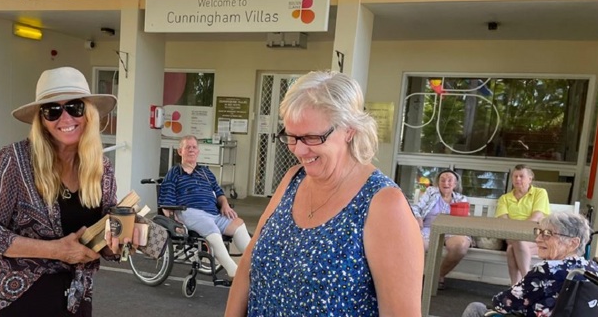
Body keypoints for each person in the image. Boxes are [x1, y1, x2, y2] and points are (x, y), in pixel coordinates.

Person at [225, 71, 423, 316]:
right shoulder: (292, 180)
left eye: (311, 137)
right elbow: (247, 264)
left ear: (349, 130)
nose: (298, 149)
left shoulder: (384, 204)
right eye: (291, 136)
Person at [0, 67, 132, 316]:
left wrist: (121, 238)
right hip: (14, 302)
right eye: (53, 110)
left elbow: (105, 236)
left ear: (89, 113)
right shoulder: (15, 160)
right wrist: (56, 250)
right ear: (42, 120)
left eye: (75, 107)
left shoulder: (101, 168)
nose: (65, 119)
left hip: (74, 299)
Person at [462, 212, 598, 317]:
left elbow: (502, 304)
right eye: (540, 232)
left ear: (573, 243)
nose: (538, 239)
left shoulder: (547, 270)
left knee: (476, 308)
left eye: (547, 234)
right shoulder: (597, 271)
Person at [158, 135, 251, 282]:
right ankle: (234, 271)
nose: (191, 150)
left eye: (194, 147)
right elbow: (166, 200)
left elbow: (219, 192)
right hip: (188, 211)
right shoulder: (174, 173)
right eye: (187, 147)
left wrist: (225, 205)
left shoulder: (206, 173)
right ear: (180, 151)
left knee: (237, 223)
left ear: (198, 151)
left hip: (212, 213)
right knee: (210, 226)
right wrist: (172, 220)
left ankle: (254, 265)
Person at [411, 169, 471, 290]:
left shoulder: (461, 199)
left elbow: (465, 218)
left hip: (452, 231)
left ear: (455, 184)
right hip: (429, 229)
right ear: (438, 182)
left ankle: (437, 276)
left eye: (450, 180)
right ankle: (413, 280)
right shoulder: (430, 192)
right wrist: (417, 217)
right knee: (416, 244)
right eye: (442, 180)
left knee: (461, 245)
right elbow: (416, 208)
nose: (446, 183)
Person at [496, 164, 551, 284]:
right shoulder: (504, 198)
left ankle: (518, 286)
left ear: (530, 179)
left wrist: (517, 233)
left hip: (537, 236)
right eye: (515, 176)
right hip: (512, 236)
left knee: (512, 248)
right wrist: (515, 234)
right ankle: (525, 284)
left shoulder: (540, 193)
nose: (518, 179)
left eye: (521, 176)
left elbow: (536, 217)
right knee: (515, 243)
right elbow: (503, 221)